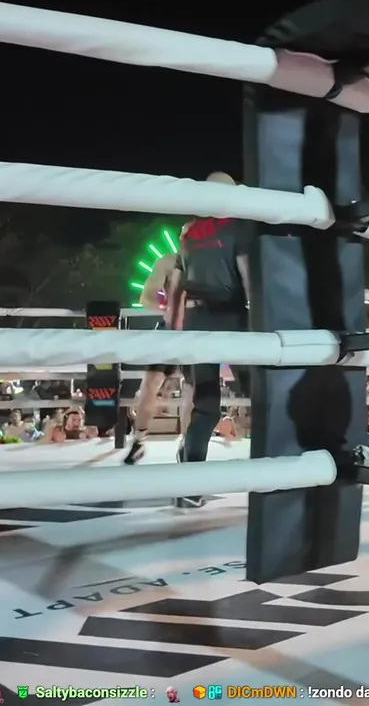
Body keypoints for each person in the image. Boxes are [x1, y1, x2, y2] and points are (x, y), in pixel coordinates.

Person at [165, 171, 253, 508]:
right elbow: (248, 276)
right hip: (232, 316)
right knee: (261, 393)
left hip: (196, 319)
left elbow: (176, 284)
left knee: (205, 405)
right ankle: (278, 476)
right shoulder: (237, 227)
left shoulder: (188, 232)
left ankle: (190, 484)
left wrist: (174, 330)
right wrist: (262, 321)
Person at [123, 251, 182, 465]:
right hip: (170, 329)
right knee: (150, 385)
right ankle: (139, 441)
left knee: (194, 389)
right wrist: (167, 310)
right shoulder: (168, 261)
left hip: (199, 328)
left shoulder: (210, 260)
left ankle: (188, 444)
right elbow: (146, 296)